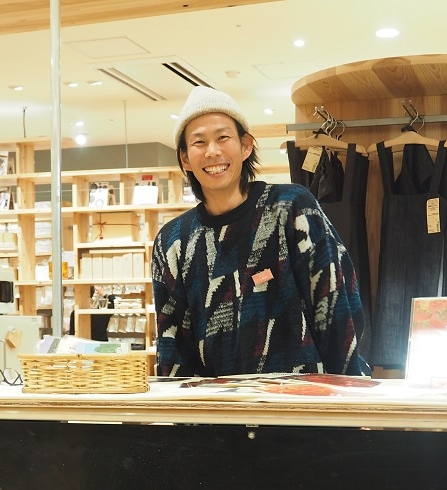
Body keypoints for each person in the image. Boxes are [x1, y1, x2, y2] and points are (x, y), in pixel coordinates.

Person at [152, 86, 369, 378]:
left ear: (246, 146)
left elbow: (336, 308)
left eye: (223, 137)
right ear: (185, 159)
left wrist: (348, 389)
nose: (212, 151)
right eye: (199, 142)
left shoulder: (290, 208)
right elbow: (173, 345)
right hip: (218, 403)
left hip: (303, 398)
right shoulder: (173, 242)